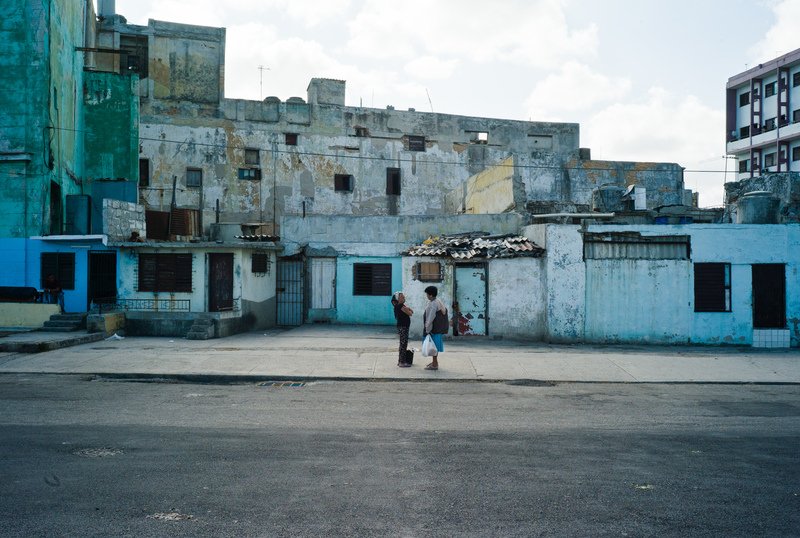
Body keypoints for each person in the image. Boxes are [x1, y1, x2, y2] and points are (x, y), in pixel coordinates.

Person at [422, 285, 447, 371]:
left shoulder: (433, 304)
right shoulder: (437, 301)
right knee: (434, 346)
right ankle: (434, 362)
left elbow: (430, 318)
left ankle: (435, 364)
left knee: (433, 347)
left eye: (427, 294)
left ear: (431, 295)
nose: (427, 296)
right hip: (437, 329)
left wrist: (427, 329)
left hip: (433, 329)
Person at [391, 291, 414, 367]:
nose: (404, 298)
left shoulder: (401, 306)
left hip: (403, 327)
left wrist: (408, 309)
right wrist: (408, 309)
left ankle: (400, 361)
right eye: (402, 297)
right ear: (398, 299)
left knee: (403, 344)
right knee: (403, 344)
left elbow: (411, 312)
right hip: (403, 327)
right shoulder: (400, 306)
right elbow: (410, 313)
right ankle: (402, 362)